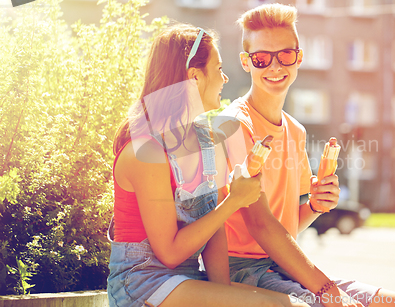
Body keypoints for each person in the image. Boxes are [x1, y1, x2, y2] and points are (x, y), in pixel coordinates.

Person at [219, 4, 395, 307]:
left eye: (285, 55)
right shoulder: (235, 124)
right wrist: (329, 291)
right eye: (261, 59)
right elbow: (261, 226)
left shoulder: (295, 131)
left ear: (299, 57)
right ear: (246, 63)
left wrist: (314, 205)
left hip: (282, 266)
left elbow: (285, 230)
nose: (275, 67)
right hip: (241, 272)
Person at [107, 23, 309, 307]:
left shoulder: (206, 139)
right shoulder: (147, 151)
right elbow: (170, 253)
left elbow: (214, 235)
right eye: (218, 69)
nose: (225, 78)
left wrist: (226, 294)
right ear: (194, 78)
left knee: (297, 304)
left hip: (187, 281)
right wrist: (234, 202)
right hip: (143, 284)